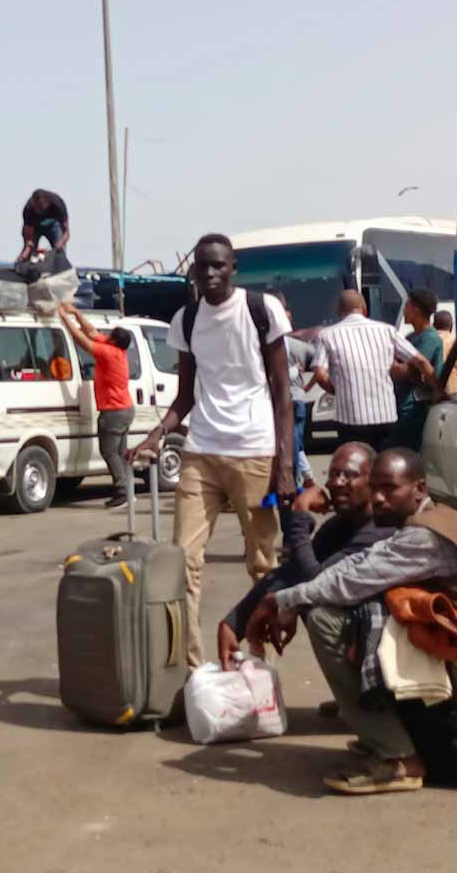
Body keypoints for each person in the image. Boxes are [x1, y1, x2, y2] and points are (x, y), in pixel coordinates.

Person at [246, 449, 457, 796]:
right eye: (375, 487)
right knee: (366, 610)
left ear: (419, 489)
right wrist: (285, 601)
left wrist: (278, 601)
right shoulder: (425, 520)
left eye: (389, 488)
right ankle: (384, 732)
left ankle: (398, 758)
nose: (378, 498)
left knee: (326, 620)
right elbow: (358, 566)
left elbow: (347, 583)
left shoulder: (426, 537)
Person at [130, 234, 295, 668]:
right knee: (182, 561)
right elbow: (186, 396)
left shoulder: (261, 310)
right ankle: (192, 669)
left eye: (218, 265)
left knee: (262, 563)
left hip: (255, 451)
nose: (210, 274)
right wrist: (157, 434)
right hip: (201, 451)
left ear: (233, 267)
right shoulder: (186, 319)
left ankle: (260, 661)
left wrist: (285, 466)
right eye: (202, 266)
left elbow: (283, 392)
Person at [215, 442, 389, 669]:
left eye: (349, 475)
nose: (337, 483)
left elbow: (316, 582)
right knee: (299, 597)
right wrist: (232, 624)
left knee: (318, 613)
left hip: (386, 637)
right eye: (333, 475)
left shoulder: (380, 530)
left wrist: (300, 512)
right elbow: (292, 572)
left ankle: (362, 692)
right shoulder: (340, 525)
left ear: (374, 483)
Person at [310, 290, 432, 451]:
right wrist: (437, 388)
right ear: (364, 309)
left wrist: (338, 390)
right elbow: (420, 361)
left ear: (339, 312)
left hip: (350, 417)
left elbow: (320, 374)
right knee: (383, 461)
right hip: (385, 415)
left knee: (356, 461)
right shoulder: (387, 330)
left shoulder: (327, 335)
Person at [58, 303, 135, 508]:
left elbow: (81, 339)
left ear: (114, 341)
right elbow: (91, 332)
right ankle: (128, 490)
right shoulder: (117, 350)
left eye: (110, 335)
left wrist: (64, 318)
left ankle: (122, 492)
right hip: (125, 409)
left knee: (109, 452)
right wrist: (75, 313)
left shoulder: (108, 353)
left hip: (114, 412)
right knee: (119, 453)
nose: (106, 336)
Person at [390, 289, 446, 451]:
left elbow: (409, 371)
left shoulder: (429, 338)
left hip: (414, 408)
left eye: (407, 306)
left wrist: (385, 362)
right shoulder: (410, 337)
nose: (404, 310)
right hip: (402, 405)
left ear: (416, 309)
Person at [285, 320, 317, 485]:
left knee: (293, 441)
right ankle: (307, 476)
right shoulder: (299, 346)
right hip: (298, 398)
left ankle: (300, 477)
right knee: (295, 440)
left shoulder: (265, 347)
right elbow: (319, 361)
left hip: (285, 401)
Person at [17, 189, 71, 263]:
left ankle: (60, 264)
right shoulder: (28, 209)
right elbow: (29, 237)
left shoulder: (58, 204)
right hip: (35, 227)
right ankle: (26, 264)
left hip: (53, 226)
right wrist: (27, 250)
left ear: (47, 203)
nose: (38, 210)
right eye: (36, 207)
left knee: (59, 252)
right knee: (28, 253)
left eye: (40, 207)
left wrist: (60, 243)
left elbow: (66, 233)